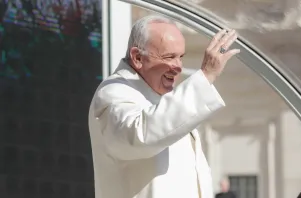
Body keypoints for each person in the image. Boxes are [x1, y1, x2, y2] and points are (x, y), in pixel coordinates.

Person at [88, 15, 240, 198]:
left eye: (181, 57)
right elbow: (139, 136)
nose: (178, 67)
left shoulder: (163, 98)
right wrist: (205, 76)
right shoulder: (114, 93)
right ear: (137, 57)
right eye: (169, 57)